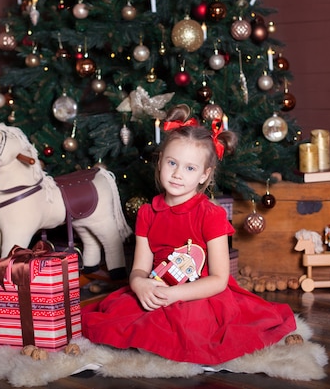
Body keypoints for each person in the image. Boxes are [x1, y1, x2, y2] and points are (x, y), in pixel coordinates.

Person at [82, 106, 298, 365]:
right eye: (172, 163)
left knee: (190, 327)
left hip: (200, 293)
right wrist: (140, 284)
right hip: (159, 285)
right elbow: (139, 268)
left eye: (189, 168)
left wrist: (176, 295)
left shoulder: (211, 214)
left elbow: (219, 279)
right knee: (120, 316)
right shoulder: (147, 214)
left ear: (203, 175)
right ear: (160, 161)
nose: (177, 174)